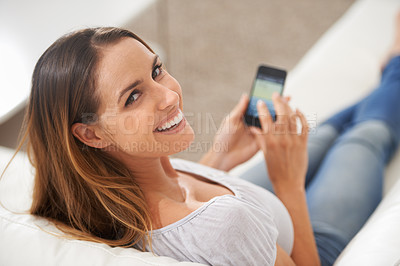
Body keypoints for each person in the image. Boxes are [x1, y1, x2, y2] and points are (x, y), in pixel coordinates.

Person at [5, 12, 400, 266]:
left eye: (156, 70)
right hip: (309, 239)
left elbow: (180, 210)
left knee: (320, 131)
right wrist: (289, 185)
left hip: (258, 207)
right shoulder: (226, 225)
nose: (171, 95)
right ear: (90, 133)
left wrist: (220, 156)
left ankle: (387, 78)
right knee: (367, 136)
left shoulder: (115, 192)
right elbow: (218, 231)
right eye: (134, 96)